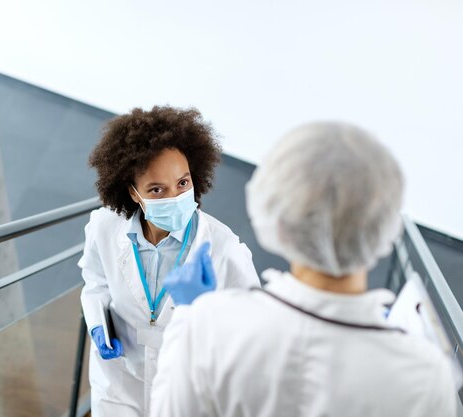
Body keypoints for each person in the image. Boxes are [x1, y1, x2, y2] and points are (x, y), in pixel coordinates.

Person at [151, 121, 457, 417]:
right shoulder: (424, 376)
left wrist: (190, 318)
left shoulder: (210, 329)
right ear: (382, 226)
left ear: (278, 222)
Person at [78, 106, 260, 417]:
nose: (174, 196)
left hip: (188, 392)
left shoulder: (224, 249)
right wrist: (97, 324)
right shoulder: (104, 227)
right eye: (156, 189)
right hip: (120, 383)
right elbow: (96, 281)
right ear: (134, 193)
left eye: (183, 183)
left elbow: (252, 328)